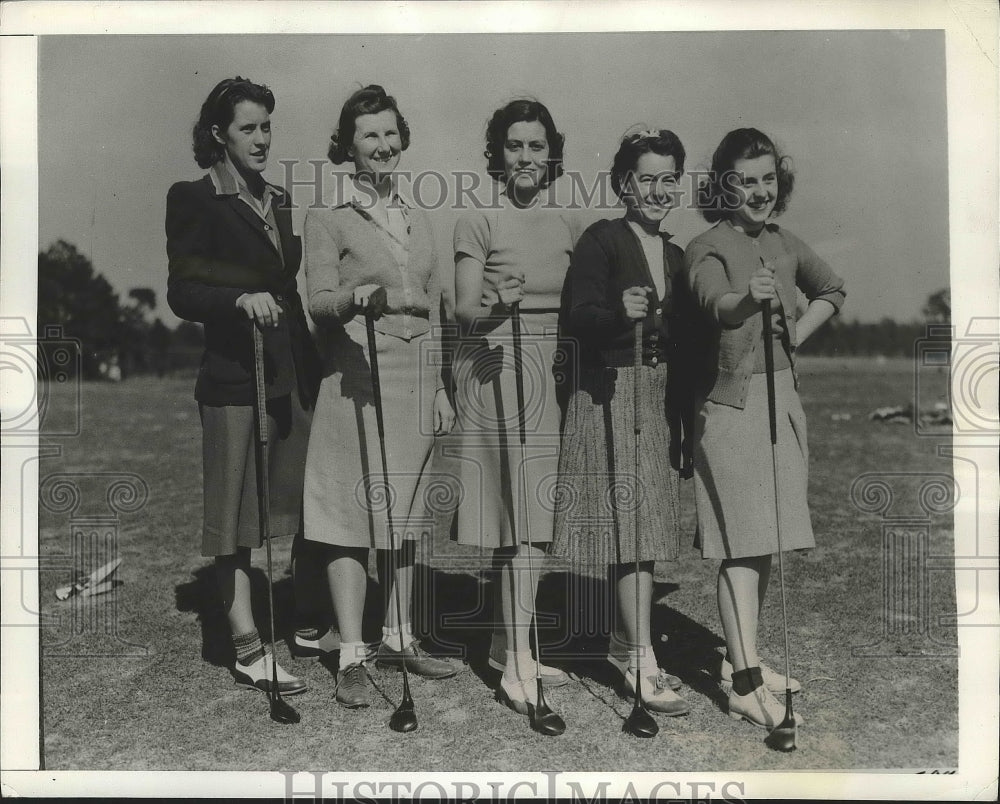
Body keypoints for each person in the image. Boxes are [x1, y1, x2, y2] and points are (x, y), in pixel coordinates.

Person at [302, 85, 458, 709]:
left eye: (391, 134)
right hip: (355, 374)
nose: (384, 145)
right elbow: (316, 304)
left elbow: (439, 307)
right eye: (370, 135)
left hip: (417, 375)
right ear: (347, 145)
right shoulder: (327, 216)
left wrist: (443, 384)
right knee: (348, 515)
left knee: (406, 516)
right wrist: (353, 297)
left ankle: (398, 635)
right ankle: (350, 650)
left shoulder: (419, 217)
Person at [165, 77, 322, 696]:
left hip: (290, 373)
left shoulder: (278, 198)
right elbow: (182, 291)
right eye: (248, 128)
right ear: (218, 135)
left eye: (266, 127)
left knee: (300, 504)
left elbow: (287, 284)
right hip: (233, 378)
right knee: (234, 521)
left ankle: (306, 621)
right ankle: (246, 644)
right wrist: (238, 298)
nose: (261, 139)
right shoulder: (194, 197)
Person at [685, 127, 846, 729]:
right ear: (723, 186)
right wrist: (748, 302)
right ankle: (745, 685)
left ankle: (741, 659)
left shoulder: (784, 241)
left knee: (766, 538)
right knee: (740, 544)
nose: (758, 192)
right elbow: (714, 303)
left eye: (767, 180)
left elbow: (832, 288)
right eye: (745, 181)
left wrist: (796, 336)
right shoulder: (708, 244)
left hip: (782, 400)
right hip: (729, 408)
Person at [554, 128, 693, 717]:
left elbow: (686, 344)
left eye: (669, 180)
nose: (658, 191)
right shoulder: (603, 239)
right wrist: (618, 314)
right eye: (647, 179)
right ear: (623, 183)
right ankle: (638, 656)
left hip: (657, 396)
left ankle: (623, 643)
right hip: (611, 392)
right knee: (630, 530)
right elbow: (576, 313)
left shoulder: (678, 255)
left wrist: (683, 421)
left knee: (646, 530)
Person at [452, 98, 579, 725]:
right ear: (496, 155)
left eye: (536, 146)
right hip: (504, 374)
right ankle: (518, 662)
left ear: (550, 153)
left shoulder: (569, 226)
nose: (526, 157)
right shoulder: (477, 219)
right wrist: (496, 301)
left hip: (556, 376)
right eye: (514, 146)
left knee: (539, 519)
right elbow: (462, 312)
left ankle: (510, 643)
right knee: (519, 521)